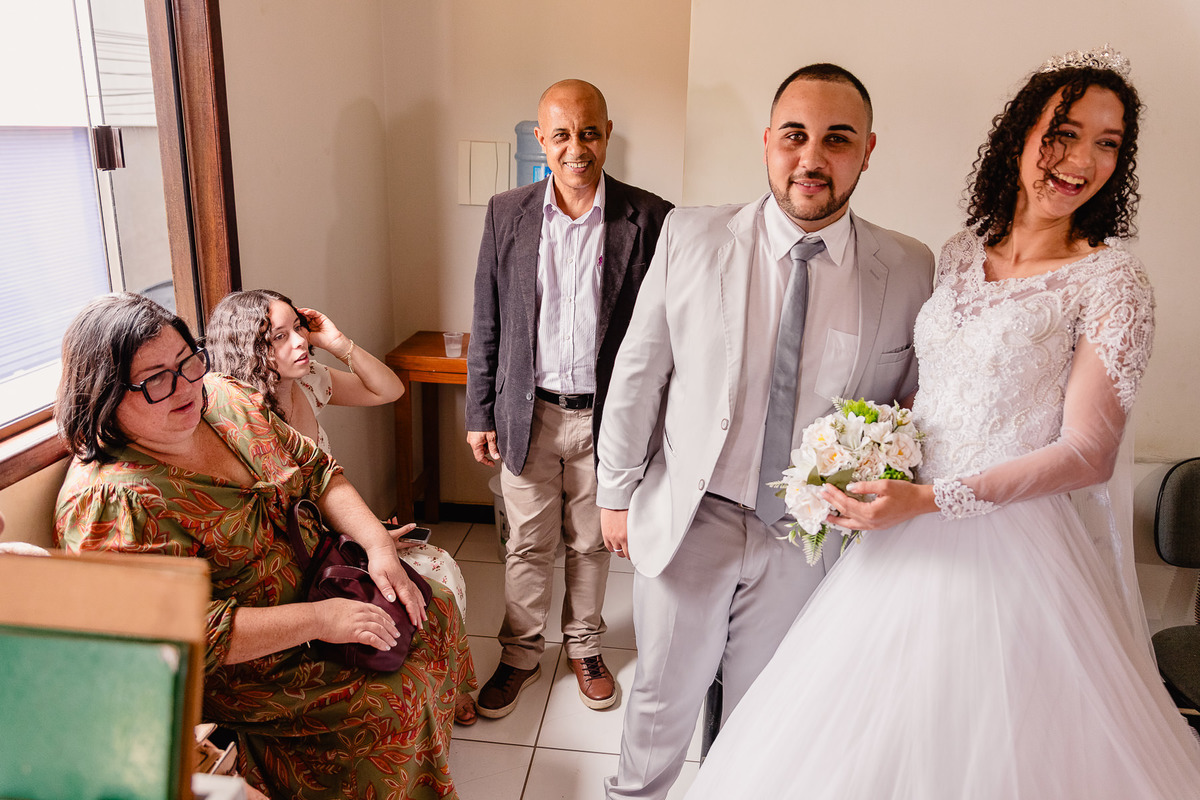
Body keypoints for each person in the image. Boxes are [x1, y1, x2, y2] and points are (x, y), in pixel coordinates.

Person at [685, 47, 1200, 799]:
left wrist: (932, 499)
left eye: (1108, 143)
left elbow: (1089, 452)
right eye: (1063, 132)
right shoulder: (960, 254)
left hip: (1014, 547)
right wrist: (869, 456)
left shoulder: (1112, 280)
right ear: (1019, 136)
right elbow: (936, 395)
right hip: (902, 535)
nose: (1081, 159)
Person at [597, 64, 935, 799]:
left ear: (868, 150)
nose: (812, 158)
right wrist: (615, 493)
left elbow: (912, 404)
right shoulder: (692, 235)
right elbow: (639, 372)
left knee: (763, 716)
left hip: (808, 539)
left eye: (836, 139)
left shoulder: (909, 267)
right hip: (696, 517)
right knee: (660, 704)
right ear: (768, 143)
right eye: (795, 136)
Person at [53, 292, 475, 800]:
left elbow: (321, 474)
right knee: (392, 698)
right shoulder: (109, 501)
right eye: (155, 379)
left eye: (187, 361)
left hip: (324, 580)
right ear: (104, 395)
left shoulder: (225, 399)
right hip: (254, 663)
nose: (184, 386)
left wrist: (378, 547)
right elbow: (189, 635)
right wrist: (325, 620)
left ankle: (425, 766)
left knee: (438, 611)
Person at [465, 79, 673, 717]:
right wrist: (479, 411)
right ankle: (522, 652)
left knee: (591, 541)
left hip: (609, 419)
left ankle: (584, 647)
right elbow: (488, 316)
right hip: (529, 414)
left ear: (608, 133)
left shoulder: (651, 216)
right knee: (526, 544)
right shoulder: (508, 212)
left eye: (588, 132)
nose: (576, 147)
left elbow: (663, 330)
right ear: (541, 139)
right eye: (561, 134)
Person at [206, 288, 476, 724]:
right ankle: (426, 684)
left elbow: (389, 389)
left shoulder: (309, 379)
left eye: (298, 328)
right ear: (246, 348)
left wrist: (337, 342)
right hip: (307, 552)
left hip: (338, 534)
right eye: (278, 337)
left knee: (438, 564)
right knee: (427, 576)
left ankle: (453, 680)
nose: (298, 342)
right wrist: (363, 542)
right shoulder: (242, 417)